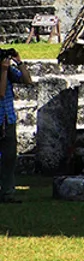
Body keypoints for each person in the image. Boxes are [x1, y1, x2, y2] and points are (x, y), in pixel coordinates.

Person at [2, 45, 35, 203]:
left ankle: (7, 193)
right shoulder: (4, 71)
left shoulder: (8, 71)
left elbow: (28, 81)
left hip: (7, 120)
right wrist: (3, 71)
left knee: (9, 158)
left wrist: (19, 62)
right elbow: (1, 93)